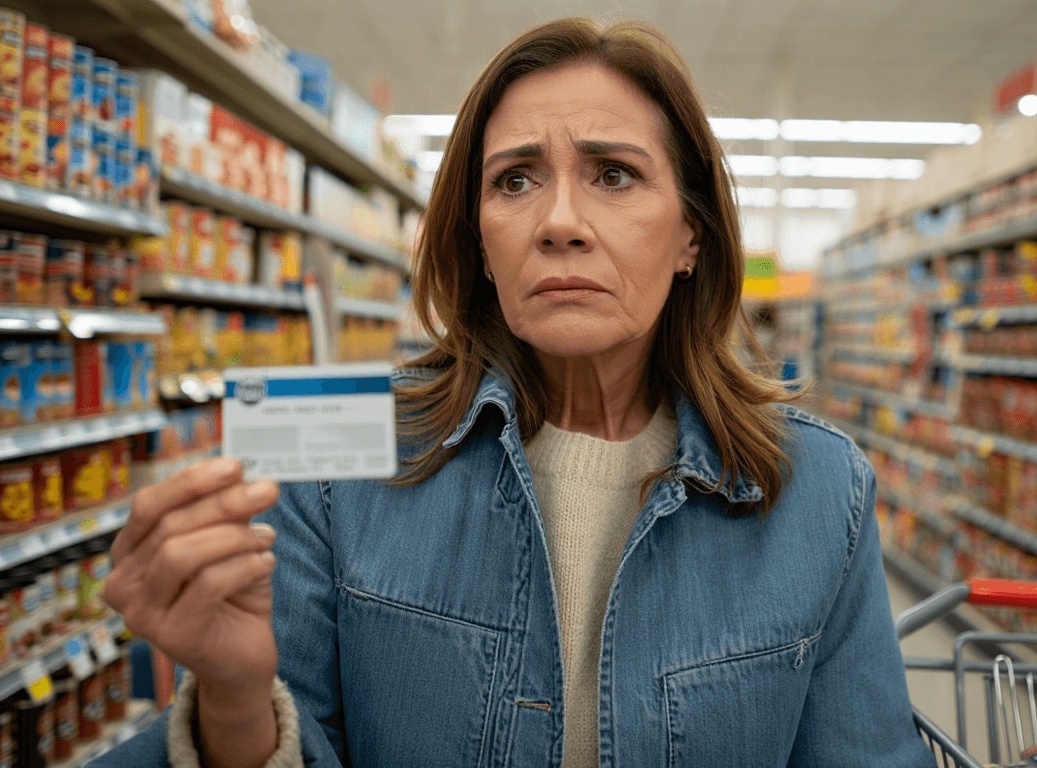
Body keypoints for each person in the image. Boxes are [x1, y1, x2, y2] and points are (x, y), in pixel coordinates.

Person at [99, 16, 935, 768]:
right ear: (479, 240)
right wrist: (235, 702)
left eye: (613, 175)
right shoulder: (335, 450)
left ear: (690, 235)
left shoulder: (819, 490)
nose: (559, 221)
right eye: (514, 180)